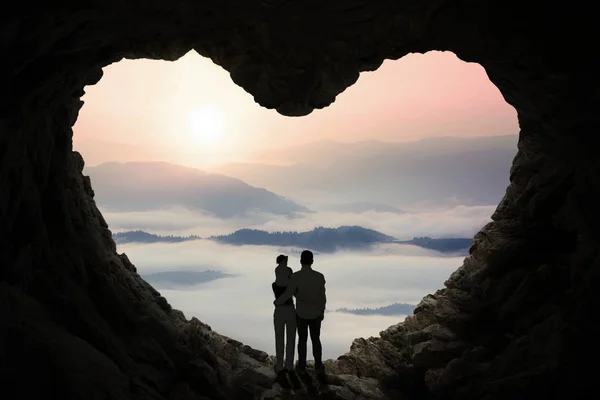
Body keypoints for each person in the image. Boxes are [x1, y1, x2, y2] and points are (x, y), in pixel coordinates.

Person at [274, 250, 326, 374]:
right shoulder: (319, 277)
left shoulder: (295, 277)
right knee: (316, 339)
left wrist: (277, 302)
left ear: (300, 261)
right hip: (316, 313)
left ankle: (301, 367)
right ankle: (318, 366)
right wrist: (322, 311)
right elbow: (322, 297)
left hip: (301, 313)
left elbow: (288, 293)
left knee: (302, 340)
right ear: (312, 261)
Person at [272, 254, 296, 374]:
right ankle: (289, 366)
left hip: (279, 311)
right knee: (291, 339)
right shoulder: (291, 285)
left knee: (279, 338)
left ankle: (280, 365)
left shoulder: (274, 285)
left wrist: (276, 302)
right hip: (290, 310)